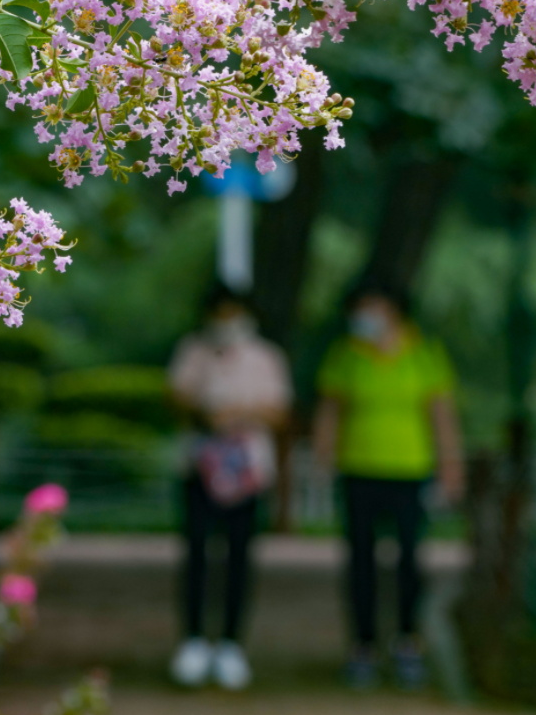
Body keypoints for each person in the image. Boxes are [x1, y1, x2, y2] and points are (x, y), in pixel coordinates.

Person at [313, 283, 464, 689]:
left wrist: (451, 462)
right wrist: (322, 456)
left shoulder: (423, 353)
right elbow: (331, 409)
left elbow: (441, 413)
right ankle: (362, 645)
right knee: (360, 559)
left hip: (409, 470)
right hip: (359, 468)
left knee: (409, 559)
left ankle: (407, 642)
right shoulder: (346, 354)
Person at [168, 286, 292, 690]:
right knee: (198, 553)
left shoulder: (265, 356)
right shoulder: (194, 351)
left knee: (239, 556)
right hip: (199, 468)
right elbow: (176, 395)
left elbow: (280, 410)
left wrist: (241, 413)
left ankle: (231, 643)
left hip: (248, 471)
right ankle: (194, 640)